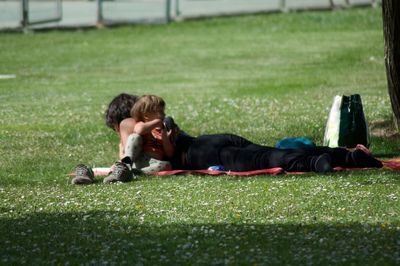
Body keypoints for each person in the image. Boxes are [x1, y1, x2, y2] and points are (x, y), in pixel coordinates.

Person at [71, 93, 186, 184]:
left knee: (166, 165)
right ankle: (126, 164)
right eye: (160, 112)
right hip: (138, 158)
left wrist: (165, 135)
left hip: (152, 162)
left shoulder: (162, 130)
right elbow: (139, 131)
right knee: (135, 137)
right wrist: (157, 122)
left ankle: (133, 173)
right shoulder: (141, 125)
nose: (163, 115)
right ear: (146, 115)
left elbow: (169, 153)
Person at [169, 133, 383, 173]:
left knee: (264, 158)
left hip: (201, 154)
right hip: (208, 140)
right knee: (268, 152)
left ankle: (314, 163)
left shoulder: (139, 131)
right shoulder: (161, 123)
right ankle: (348, 157)